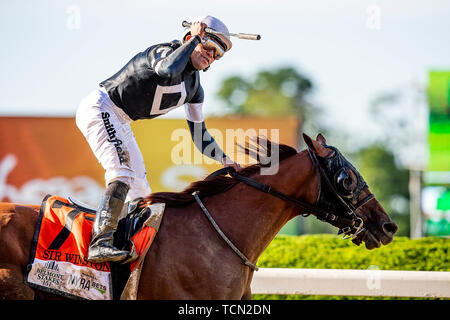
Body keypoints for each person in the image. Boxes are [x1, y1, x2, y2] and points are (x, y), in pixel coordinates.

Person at [75, 15, 240, 264]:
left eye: (217, 54)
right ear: (189, 38)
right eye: (207, 47)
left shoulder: (195, 89)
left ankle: (127, 243)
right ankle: (100, 243)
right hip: (101, 107)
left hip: (122, 120)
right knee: (121, 173)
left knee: (140, 188)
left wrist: (225, 159)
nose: (210, 56)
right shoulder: (163, 51)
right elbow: (167, 70)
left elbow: (199, 134)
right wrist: (195, 36)